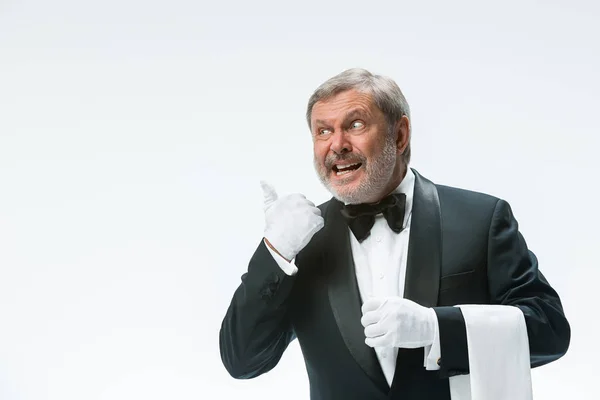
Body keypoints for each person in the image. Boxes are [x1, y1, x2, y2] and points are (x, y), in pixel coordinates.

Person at [219, 68, 570, 399]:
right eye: (323, 131)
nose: (337, 144)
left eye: (354, 125)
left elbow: (550, 330)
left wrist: (436, 328)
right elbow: (243, 360)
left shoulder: (481, 219)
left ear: (399, 135)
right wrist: (275, 251)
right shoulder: (301, 242)